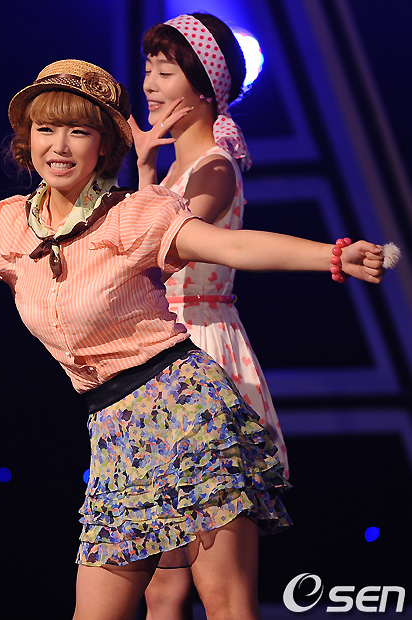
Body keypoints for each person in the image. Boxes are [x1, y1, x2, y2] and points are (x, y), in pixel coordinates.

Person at [0, 59, 385, 620]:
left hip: (184, 410)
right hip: (112, 432)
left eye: (78, 131)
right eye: (46, 129)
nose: (59, 146)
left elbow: (233, 247)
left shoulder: (132, 216)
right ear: (27, 140)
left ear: (103, 146)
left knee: (227, 606)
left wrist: (332, 256)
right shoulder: (9, 224)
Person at [128, 13, 287, 619]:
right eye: (148, 69)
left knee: (223, 593)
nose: (150, 84)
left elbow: (166, 237)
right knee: (162, 589)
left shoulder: (214, 167)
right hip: (158, 353)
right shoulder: (173, 169)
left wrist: (145, 178)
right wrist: (147, 170)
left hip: (200, 350)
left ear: (203, 88)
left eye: (165, 72)